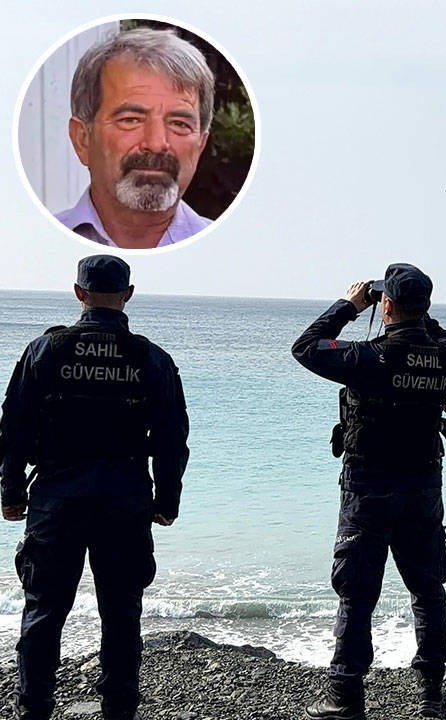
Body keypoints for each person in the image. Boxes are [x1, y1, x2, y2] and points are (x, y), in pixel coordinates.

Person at [0, 255, 190, 720]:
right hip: (124, 499)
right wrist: (167, 500)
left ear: (78, 293)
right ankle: (119, 710)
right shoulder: (151, 357)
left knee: (44, 610)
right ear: (127, 294)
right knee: (122, 614)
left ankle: (34, 708)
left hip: (57, 496)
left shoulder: (46, 351)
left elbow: (14, 427)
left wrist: (10, 492)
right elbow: (172, 438)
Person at [292, 264, 446, 720]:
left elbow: (305, 347)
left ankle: (345, 696)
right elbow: (435, 332)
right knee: (428, 589)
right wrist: (409, 310)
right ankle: (431, 695)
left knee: (356, 592)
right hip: (423, 486)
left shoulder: (368, 359)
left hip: (369, 488)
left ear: (385, 306)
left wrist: (350, 305)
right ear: (425, 308)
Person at [55, 27, 215, 249]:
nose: (157, 143)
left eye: (179, 124)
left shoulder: (235, 254)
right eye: (131, 120)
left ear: (200, 146)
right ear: (82, 139)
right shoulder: (23, 248)